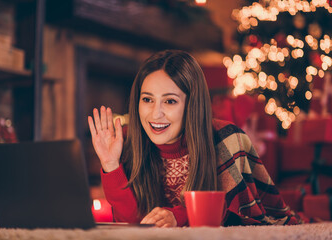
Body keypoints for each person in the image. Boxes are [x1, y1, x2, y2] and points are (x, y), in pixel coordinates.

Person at [88, 50, 301, 227]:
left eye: (170, 101)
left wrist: (177, 217)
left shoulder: (226, 138)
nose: (155, 114)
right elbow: (135, 224)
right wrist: (110, 165)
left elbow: (230, 213)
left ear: (192, 105)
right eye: (147, 100)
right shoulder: (130, 143)